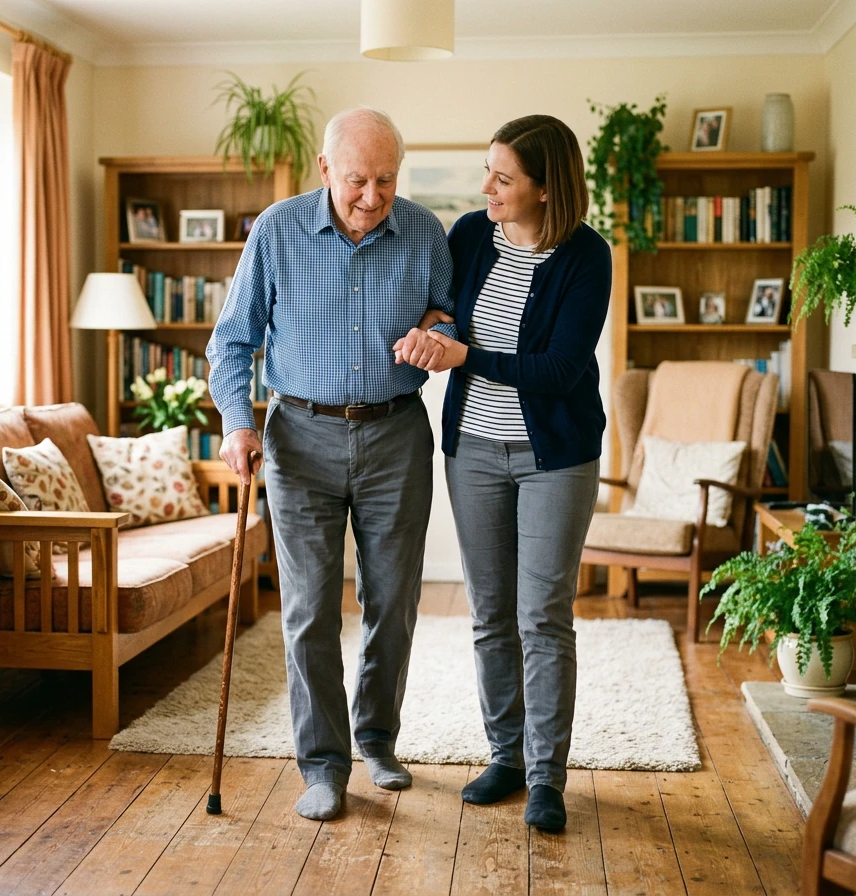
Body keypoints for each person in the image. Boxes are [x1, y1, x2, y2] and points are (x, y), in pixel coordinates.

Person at [206, 107, 455, 821]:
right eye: (356, 180)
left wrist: (437, 333)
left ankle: (377, 739)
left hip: (395, 434)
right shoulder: (278, 231)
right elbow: (232, 343)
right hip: (298, 437)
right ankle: (322, 764)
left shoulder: (425, 233)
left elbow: (452, 313)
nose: (372, 196)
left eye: (384, 179)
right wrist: (236, 422)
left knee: (392, 601)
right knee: (311, 607)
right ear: (324, 170)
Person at [395, 114, 612, 831]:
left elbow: (561, 370)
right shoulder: (467, 236)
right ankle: (507, 757)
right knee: (490, 616)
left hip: (555, 455)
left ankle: (548, 778)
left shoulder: (587, 256)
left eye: (503, 178)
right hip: (475, 452)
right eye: (488, 170)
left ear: (547, 190)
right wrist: (438, 331)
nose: (485, 186)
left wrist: (467, 359)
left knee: (542, 617)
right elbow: (448, 311)